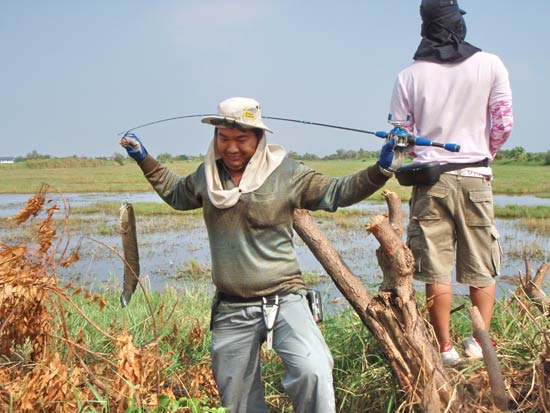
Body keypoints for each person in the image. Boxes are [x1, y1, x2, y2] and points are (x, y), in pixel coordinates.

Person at [121, 96, 402, 412]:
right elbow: (176, 193)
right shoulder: (207, 176)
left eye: (241, 139)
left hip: (285, 298)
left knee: (313, 371)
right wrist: (143, 158)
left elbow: (337, 191)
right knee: (238, 400)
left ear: (259, 137)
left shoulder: (287, 173)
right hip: (231, 306)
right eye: (223, 139)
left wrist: (380, 170)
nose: (231, 148)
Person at [388, 0, 513, 365]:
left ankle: (445, 349)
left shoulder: (408, 76)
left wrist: (420, 156)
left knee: (436, 267)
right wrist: (485, 152)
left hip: (430, 183)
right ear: (459, 24)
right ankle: (479, 344)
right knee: (481, 262)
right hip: (476, 177)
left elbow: (402, 135)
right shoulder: (491, 64)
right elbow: (503, 122)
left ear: (425, 28)